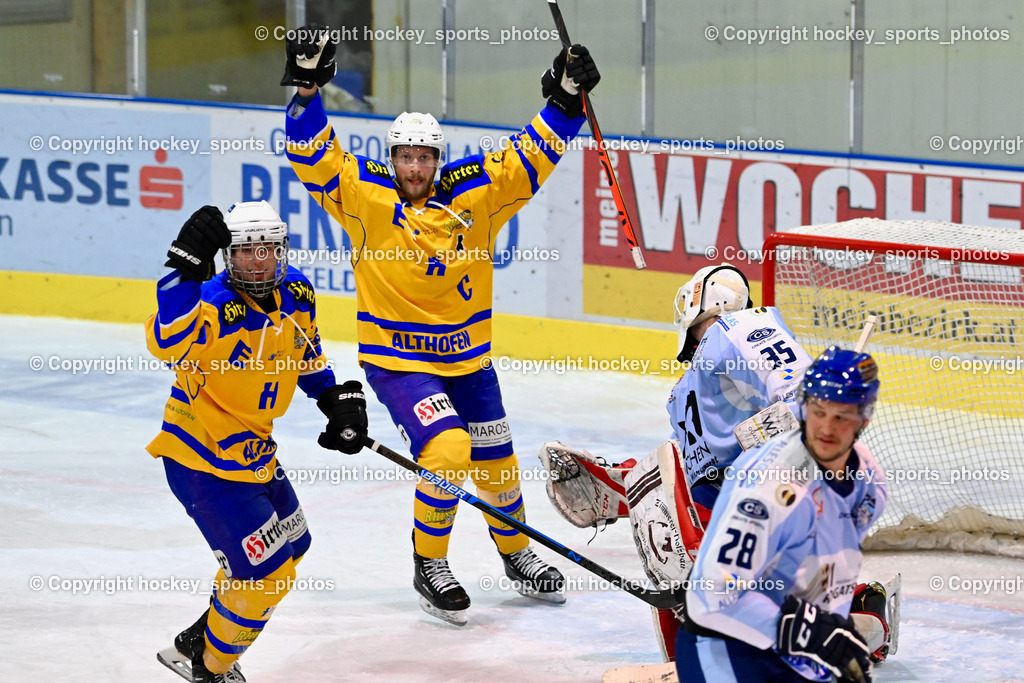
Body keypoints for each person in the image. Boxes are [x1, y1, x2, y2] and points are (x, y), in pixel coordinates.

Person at [278, 24, 601, 625]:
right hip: (400, 363)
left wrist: (564, 98)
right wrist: (306, 91)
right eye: (405, 156)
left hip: (470, 360)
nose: (415, 167)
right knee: (449, 451)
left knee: (498, 463)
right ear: (391, 157)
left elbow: (529, 156)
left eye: (425, 157)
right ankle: (430, 564)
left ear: (437, 158)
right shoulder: (364, 198)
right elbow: (311, 152)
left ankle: (516, 557)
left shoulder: (474, 193)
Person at [540, 264, 893, 662]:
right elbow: (687, 466)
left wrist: (766, 435)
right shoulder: (686, 387)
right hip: (720, 502)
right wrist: (618, 484)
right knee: (683, 586)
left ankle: (853, 620)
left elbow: (804, 394)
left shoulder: (740, 328)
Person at [147, 201, 368, 683]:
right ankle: (209, 668)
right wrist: (182, 272)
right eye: (245, 251)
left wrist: (334, 397)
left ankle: (199, 639)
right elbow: (167, 342)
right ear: (229, 256)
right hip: (202, 461)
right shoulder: (207, 301)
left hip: (254, 453)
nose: (258, 260)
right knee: (267, 576)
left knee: (295, 544)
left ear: (281, 249)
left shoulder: (298, 294)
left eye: (267, 248)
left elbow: (306, 354)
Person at [678, 346, 887, 683]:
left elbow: (829, 569)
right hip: (727, 649)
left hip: (797, 653)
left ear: (865, 417)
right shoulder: (768, 485)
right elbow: (713, 594)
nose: (826, 429)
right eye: (818, 411)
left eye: (842, 416)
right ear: (804, 405)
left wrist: (827, 637)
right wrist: (812, 632)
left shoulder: (870, 483)